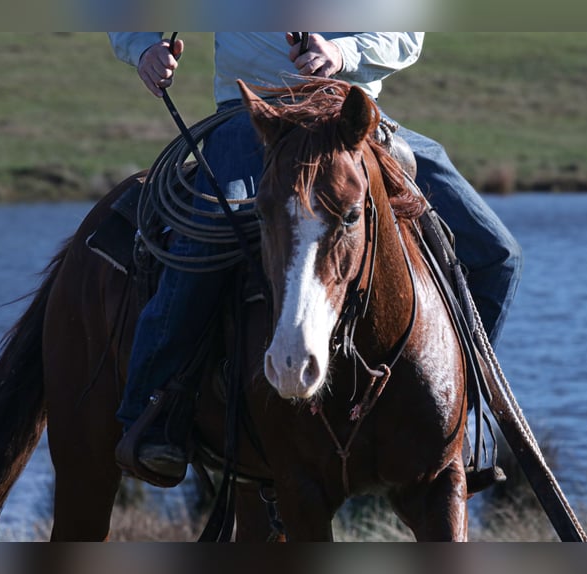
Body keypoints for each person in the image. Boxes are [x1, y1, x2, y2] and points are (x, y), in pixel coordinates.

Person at [107, 32, 522, 480]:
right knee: (203, 243)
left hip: (350, 116)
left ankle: (457, 419)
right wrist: (144, 47)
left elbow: (405, 34)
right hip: (253, 118)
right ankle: (151, 417)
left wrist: (343, 53)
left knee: (497, 254)